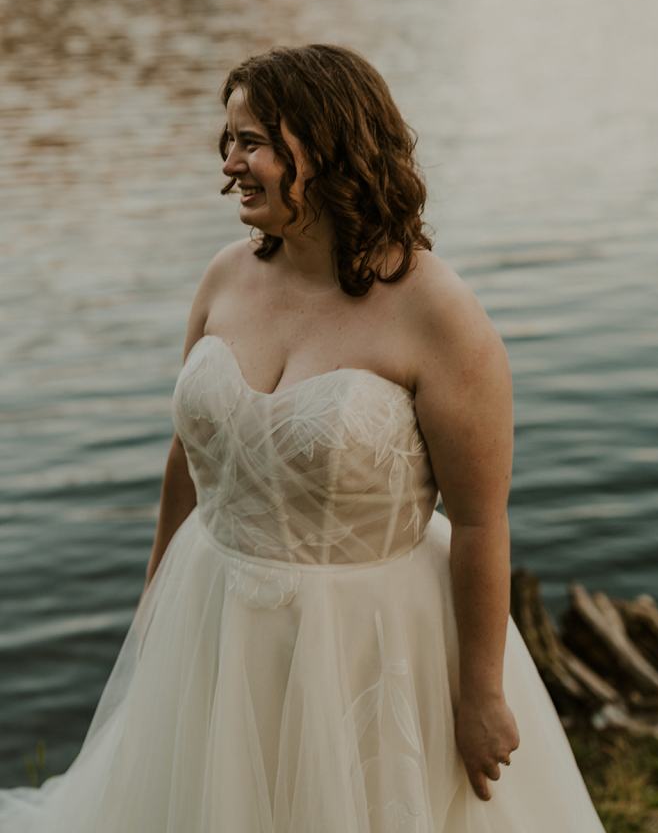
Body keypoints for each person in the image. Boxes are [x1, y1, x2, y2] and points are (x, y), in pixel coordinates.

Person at [0, 43, 606, 832]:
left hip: (371, 645)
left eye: (252, 142)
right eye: (228, 141)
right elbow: (188, 454)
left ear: (327, 147)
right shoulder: (224, 275)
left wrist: (481, 693)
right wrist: (154, 602)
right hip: (213, 616)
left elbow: (483, 522)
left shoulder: (438, 312)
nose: (230, 164)